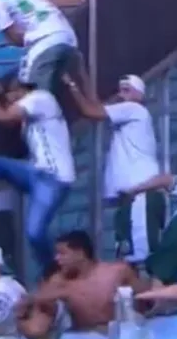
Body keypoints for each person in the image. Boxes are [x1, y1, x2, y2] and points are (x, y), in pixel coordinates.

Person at [0, 77, 75, 271]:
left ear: (21, 90)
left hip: (53, 178)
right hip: (35, 172)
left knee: (34, 232)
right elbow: (3, 109)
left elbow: (3, 117)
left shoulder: (40, 98)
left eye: (10, 94)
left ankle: (53, 269)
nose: (9, 99)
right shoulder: (29, 111)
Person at [63, 73, 164, 264]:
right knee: (126, 257)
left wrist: (71, 86)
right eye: (120, 90)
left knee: (141, 257)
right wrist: (83, 79)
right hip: (131, 199)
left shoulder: (134, 110)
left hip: (140, 196)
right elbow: (96, 105)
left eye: (127, 90)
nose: (121, 94)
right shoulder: (128, 113)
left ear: (139, 94)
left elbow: (90, 111)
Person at [21, 230, 149, 331]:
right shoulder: (60, 281)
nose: (57, 259)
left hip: (120, 332)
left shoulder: (117, 272)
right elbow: (37, 298)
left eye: (62, 253)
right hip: (85, 337)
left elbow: (145, 299)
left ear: (80, 253)